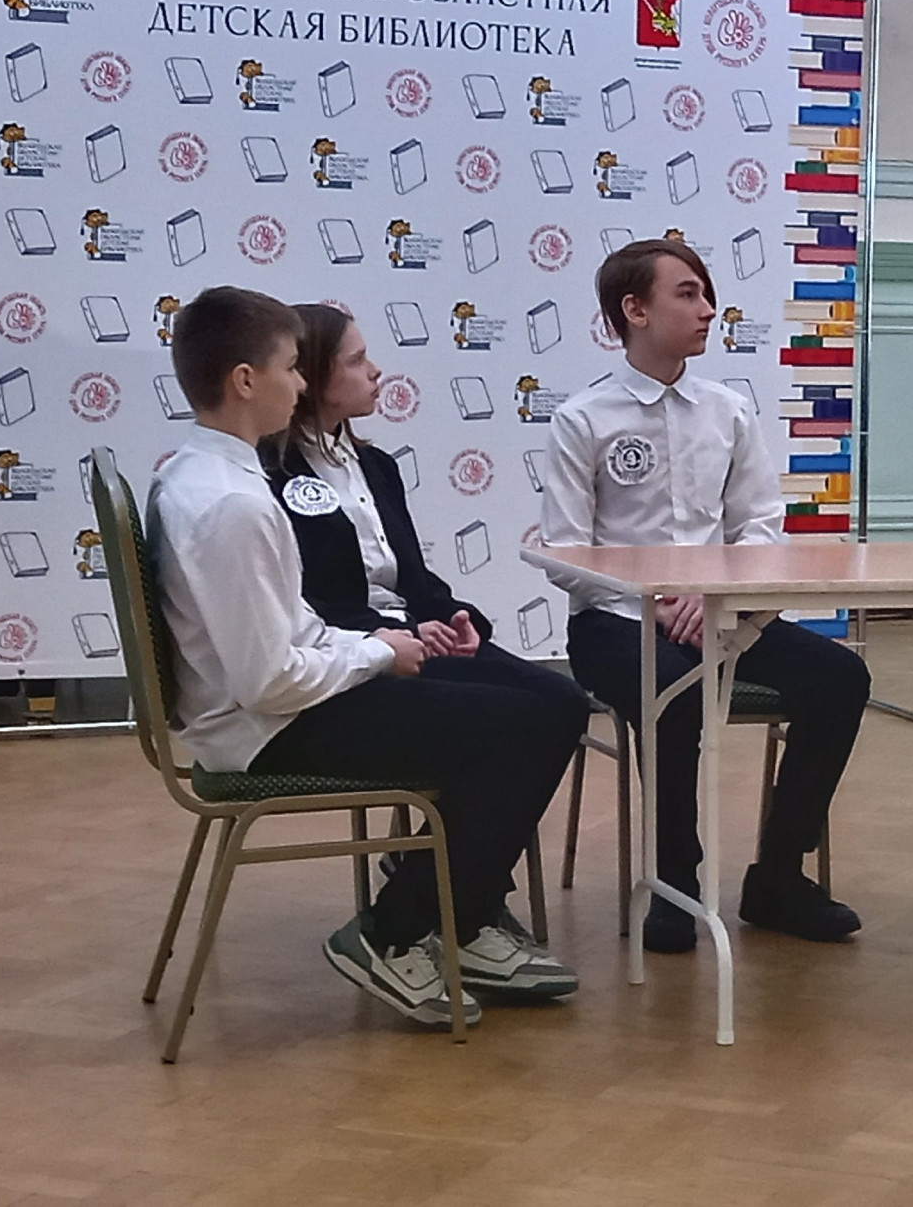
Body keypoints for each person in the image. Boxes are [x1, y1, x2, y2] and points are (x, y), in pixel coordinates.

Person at [147, 286, 585, 1030]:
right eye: (292, 367)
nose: (300, 383)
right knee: (519, 729)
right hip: (267, 729)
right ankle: (394, 931)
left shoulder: (211, 476)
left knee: (536, 711)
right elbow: (270, 681)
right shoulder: (234, 504)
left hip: (280, 704)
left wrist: (379, 646)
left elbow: (295, 631)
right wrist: (377, 654)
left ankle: (452, 912)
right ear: (246, 380)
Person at [539, 239, 870, 954]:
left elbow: (759, 527)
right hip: (617, 620)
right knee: (674, 689)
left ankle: (777, 876)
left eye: (707, 294)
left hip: (720, 613)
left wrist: (715, 591)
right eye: (687, 294)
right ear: (634, 310)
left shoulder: (729, 410)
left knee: (841, 677)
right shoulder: (583, 419)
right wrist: (657, 596)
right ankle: (673, 882)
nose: (707, 310)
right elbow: (566, 553)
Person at [259, 301, 594, 955]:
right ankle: (444, 913)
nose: (376, 371)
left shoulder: (377, 466)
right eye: (357, 361)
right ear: (313, 377)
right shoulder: (270, 478)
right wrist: (396, 637)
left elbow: (412, 577)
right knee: (516, 726)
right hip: (352, 658)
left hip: (410, 639)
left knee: (563, 701)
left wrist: (455, 621)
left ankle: (450, 883)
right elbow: (305, 605)